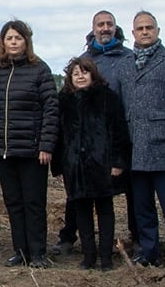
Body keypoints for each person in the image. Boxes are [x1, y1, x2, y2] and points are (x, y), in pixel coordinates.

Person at [54, 10, 136, 256]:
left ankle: (135, 238)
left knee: (121, 196)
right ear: (93, 29)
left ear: (116, 28)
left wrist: (119, 156)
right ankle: (70, 237)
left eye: (109, 24)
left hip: (114, 138)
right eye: (100, 24)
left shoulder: (127, 57)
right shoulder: (84, 58)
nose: (105, 28)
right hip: (80, 151)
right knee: (78, 199)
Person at [119, 11, 165, 271]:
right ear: (133, 33)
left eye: (149, 27)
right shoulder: (124, 66)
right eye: (140, 28)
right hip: (135, 148)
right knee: (143, 209)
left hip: (164, 147)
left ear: (158, 30)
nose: (145, 32)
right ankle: (149, 252)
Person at [0, 19, 59, 268]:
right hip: (3, 149)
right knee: (13, 202)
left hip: (32, 149)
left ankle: (38, 253)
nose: (14, 42)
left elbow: (51, 109)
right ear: (2, 43)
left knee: (34, 202)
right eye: (9, 38)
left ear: (26, 41)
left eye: (18, 37)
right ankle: (21, 251)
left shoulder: (40, 69)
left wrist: (46, 145)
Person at [51, 57, 128, 270]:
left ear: (92, 74)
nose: (81, 76)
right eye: (76, 73)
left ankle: (106, 258)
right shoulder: (64, 100)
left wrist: (118, 162)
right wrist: (57, 165)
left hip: (102, 165)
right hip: (74, 167)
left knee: (105, 211)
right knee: (81, 212)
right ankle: (88, 256)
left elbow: (120, 131)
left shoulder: (108, 98)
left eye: (84, 72)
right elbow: (58, 135)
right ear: (70, 78)